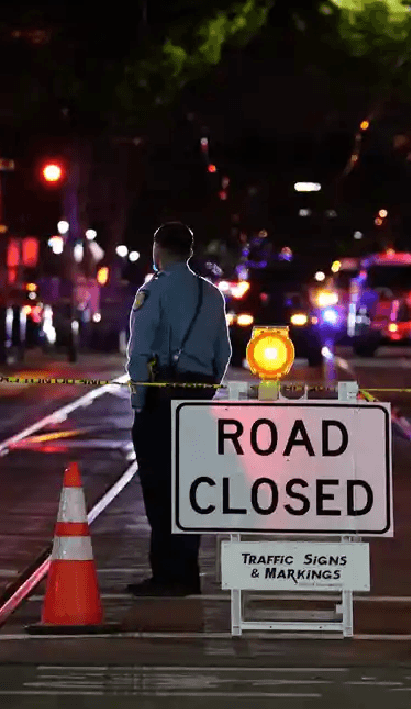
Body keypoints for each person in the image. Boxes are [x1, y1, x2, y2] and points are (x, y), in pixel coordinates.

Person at [125, 222, 230, 596]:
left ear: (158, 250)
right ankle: (188, 572)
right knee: (190, 486)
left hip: (160, 398)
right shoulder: (211, 294)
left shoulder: (152, 291)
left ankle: (167, 575)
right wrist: (206, 389)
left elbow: (139, 353)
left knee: (158, 486)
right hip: (197, 397)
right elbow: (224, 351)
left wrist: (140, 402)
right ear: (189, 250)